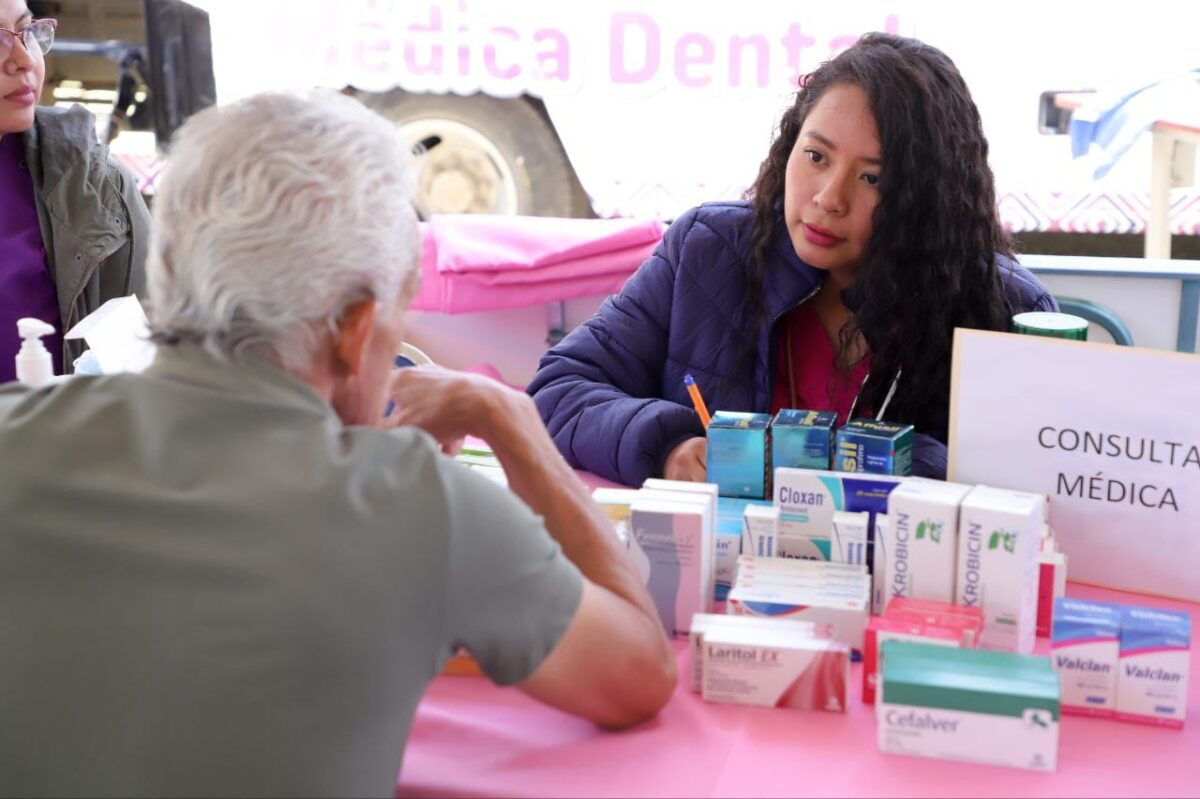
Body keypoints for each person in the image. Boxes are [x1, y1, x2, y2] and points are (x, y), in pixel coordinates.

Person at [0, 90, 675, 797]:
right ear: (356, 331)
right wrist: (506, 415)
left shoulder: (17, 433)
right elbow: (639, 674)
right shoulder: (422, 506)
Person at [528, 33, 1057, 485]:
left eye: (872, 177)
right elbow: (558, 390)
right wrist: (667, 446)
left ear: (928, 197)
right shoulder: (707, 249)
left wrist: (906, 470)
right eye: (816, 156)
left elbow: (1033, 483)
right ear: (790, 145)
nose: (829, 197)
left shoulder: (1005, 309)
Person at [0, 0, 149, 382]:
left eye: (27, 32)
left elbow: (148, 366)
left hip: (58, 437)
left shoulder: (96, 187)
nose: (23, 58)